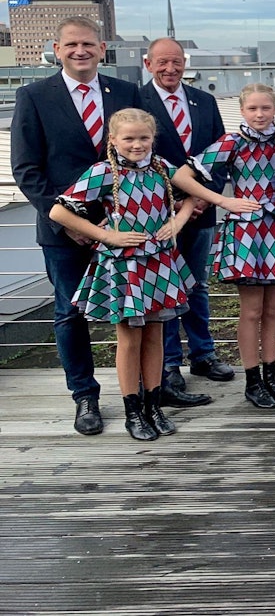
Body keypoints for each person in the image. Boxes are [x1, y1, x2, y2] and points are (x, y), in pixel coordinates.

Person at [11, 16, 141, 436]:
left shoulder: (124, 93)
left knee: (135, 311)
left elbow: (141, 156)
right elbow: (26, 169)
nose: (80, 51)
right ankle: (85, 396)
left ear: (102, 48)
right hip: (62, 231)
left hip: (123, 227)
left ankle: (140, 394)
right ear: (56, 48)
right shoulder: (33, 96)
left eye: (88, 43)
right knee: (70, 314)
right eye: (71, 44)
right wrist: (68, 221)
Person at [48, 108, 198, 441]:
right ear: (113, 140)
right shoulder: (103, 172)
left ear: (153, 139)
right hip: (123, 266)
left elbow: (192, 194)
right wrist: (107, 236)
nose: (136, 144)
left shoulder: (161, 168)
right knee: (129, 339)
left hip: (159, 262)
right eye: (128, 138)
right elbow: (58, 210)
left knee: (156, 335)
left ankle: (153, 405)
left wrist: (177, 221)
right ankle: (133, 412)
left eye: (144, 138)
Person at [172, 84, 275, 409]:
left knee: (273, 310)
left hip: (274, 226)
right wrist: (222, 200)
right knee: (252, 310)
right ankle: (252, 381)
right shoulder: (232, 142)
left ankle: (271, 376)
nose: (260, 115)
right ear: (243, 111)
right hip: (244, 231)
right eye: (253, 109)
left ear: (274, 109)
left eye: (265, 108)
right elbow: (181, 177)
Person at [140, 37, 234, 407]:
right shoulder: (135, 100)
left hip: (201, 210)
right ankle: (168, 367)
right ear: (148, 64)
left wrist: (197, 198)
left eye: (176, 61)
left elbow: (221, 152)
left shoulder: (204, 101)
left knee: (196, 285)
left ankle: (203, 354)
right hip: (158, 215)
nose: (170, 68)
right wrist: (177, 200)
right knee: (164, 291)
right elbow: (133, 155)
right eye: (162, 62)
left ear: (184, 62)